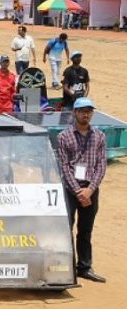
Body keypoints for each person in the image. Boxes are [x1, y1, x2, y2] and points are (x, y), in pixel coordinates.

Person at [55, 97, 106, 283]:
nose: (86, 114)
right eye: (83, 111)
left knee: (86, 230)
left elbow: (101, 166)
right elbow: (64, 167)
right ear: (74, 113)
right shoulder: (63, 137)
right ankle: (66, 267)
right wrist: (79, 191)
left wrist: (90, 190)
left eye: (89, 111)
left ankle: (84, 267)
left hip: (91, 190)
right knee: (66, 228)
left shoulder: (99, 136)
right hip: (70, 190)